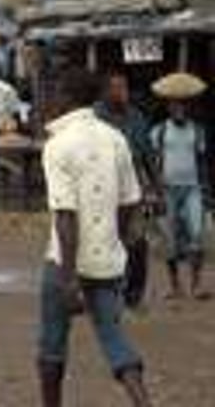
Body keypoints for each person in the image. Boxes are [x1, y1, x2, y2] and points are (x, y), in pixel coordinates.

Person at [37, 69, 150, 407]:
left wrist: (70, 278)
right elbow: (130, 203)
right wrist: (114, 240)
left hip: (64, 262)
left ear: (67, 98)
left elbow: (65, 217)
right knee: (115, 341)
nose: (53, 100)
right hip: (107, 260)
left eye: (57, 93)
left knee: (51, 346)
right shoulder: (115, 139)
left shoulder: (57, 144)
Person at [94, 73, 154, 309]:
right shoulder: (95, 118)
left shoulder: (136, 118)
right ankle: (103, 293)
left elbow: (148, 155)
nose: (122, 92)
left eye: (124, 87)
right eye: (117, 88)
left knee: (137, 243)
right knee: (104, 242)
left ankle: (134, 295)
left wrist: (157, 188)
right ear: (105, 92)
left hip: (133, 191)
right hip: (101, 190)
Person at [150, 99, 209, 301]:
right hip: (167, 190)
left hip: (193, 189)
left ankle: (196, 285)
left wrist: (205, 189)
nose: (179, 110)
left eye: (183, 106)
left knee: (197, 235)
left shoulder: (197, 131)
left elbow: (201, 162)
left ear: (188, 108)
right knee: (170, 240)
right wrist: (155, 191)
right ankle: (175, 286)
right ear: (169, 108)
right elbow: (154, 162)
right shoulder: (160, 131)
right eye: (175, 106)